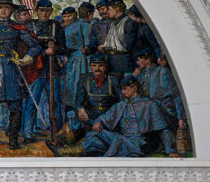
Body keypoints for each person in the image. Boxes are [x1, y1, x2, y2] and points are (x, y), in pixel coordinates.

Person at [48, 76, 179, 157]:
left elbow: (164, 130)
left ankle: (66, 152)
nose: (122, 92)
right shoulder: (121, 105)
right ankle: (64, 152)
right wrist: (99, 122)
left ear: (134, 88)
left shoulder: (150, 105)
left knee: (117, 140)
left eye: (125, 89)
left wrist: (171, 150)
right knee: (94, 135)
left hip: (139, 144)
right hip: (123, 139)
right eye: (121, 89)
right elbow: (106, 117)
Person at [0, 0, 41, 150]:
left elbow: (35, 46)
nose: (4, 10)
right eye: (1, 8)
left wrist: (25, 59)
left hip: (11, 70)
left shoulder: (17, 28)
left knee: (15, 106)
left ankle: (13, 140)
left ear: (12, 10)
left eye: (7, 8)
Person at [23, 0, 67, 142]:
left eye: (48, 10)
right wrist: (44, 52)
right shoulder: (30, 26)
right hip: (35, 71)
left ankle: (56, 133)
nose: (45, 13)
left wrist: (54, 50)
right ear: (37, 11)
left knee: (55, 105)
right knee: (31, 103)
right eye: (42, 10)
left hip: (52, 71)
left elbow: (63, 48)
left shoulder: (56, 26)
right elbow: (25, 49)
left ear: (51, 11)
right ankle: (28, 133)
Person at [58, 53, 120, 145]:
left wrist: (107, 119)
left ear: (106, 67)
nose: (97, 69)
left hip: (108, 119)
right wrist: (80, 109)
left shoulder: (114, 80)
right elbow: (78, 102)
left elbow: (121, 103)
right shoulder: (84, 80)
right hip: (90, 118)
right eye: (94, 66)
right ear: (90, 67)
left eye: (100, 66)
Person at [134, 48, 185, 132]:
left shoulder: (162, 72)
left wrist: (181, 118)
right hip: (151, 116)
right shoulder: (142, 76)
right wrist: (135, 76)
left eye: (139, 60)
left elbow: (176, 96)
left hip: (166, 115)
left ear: (147, 60)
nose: (137, 63)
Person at [61, 5, 91, 125]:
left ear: (75, 15)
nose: (67, 18)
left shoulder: (80, 26)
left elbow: (87, 44)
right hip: (72, 59)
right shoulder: (65, 28)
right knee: (70, 88)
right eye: (65, 16)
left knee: (78, 86)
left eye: (70, 16)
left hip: (81, 60)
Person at [100, 0, 137, 77]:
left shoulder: (129, 23)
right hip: (111, 62)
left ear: (117, 9)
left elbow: (127, 45)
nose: (107, 11)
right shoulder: (112, 24)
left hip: (124, 63)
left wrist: (106, 46)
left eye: (109, 9)